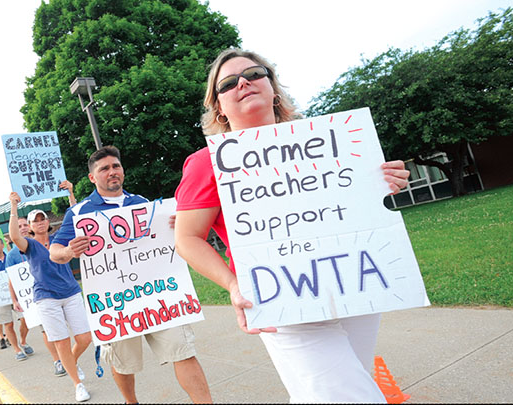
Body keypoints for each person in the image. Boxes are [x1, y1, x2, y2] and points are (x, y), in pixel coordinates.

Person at [173, 49, 411, 403]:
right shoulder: (207, 162)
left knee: (335, 386)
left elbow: (353, 203)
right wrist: (233, 284)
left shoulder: (325, 142)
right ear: (218, 106)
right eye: (228, 83)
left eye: (255, 74)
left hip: (354, 285)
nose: (243, 83)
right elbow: (188, 238)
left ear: (273, 89)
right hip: (282, 296)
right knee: (348, 395)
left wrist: (380, 180)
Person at [48, 147, 212, 403]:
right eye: (104, 169)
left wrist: (177, 224)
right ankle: (131, 401)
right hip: (116, 304)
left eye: (116, 166)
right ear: (92, 177)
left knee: (183, 351)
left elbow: (165, 239)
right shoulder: (79, 213)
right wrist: (68, 250)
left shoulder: (143, 204)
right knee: (123, 364)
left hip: (160, 295)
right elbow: (54, 252)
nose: (112, 172)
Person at [9, 197, 92, 402]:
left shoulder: (59, 238)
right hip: (46, 298)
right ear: (29, 226)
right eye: (34, 220)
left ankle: (70, 363)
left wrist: (71, 193)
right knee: (62, 342)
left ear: (48, 222)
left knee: (84, 338)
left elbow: (77, 218)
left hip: (71, 292)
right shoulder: (28, 245)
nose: (39, 222)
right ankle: (78, 384)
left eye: (42, 219)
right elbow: (13, 235)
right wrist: (13, 206)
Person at [6, 215, 66, 376]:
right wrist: (14, 299)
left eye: (25, 225)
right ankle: (58, 361)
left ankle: (67, 357)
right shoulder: (12, 255)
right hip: (35, 296)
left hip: (58, 291)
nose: (23, 228)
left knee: (61, 329)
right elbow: (12, 278)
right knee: (46, 329)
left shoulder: (45, 241)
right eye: (19, 226)